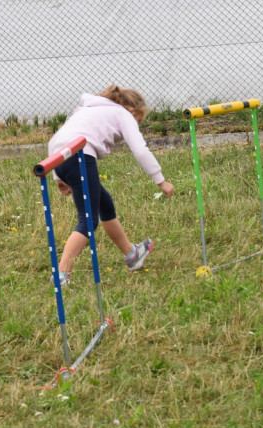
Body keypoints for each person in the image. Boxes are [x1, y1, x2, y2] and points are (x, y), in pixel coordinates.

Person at [47, 85, 176, 285]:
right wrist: (161, 181)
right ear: (133, 111)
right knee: (87, 221)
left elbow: (56, 141)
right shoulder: (123, 114)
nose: (136, 125)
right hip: (80, 156)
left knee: (104, 204)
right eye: (139, 121)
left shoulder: (89, 109)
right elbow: (140, 150)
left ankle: (132, 254)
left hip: (60, 157)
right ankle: (61, 275)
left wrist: (58, 175)